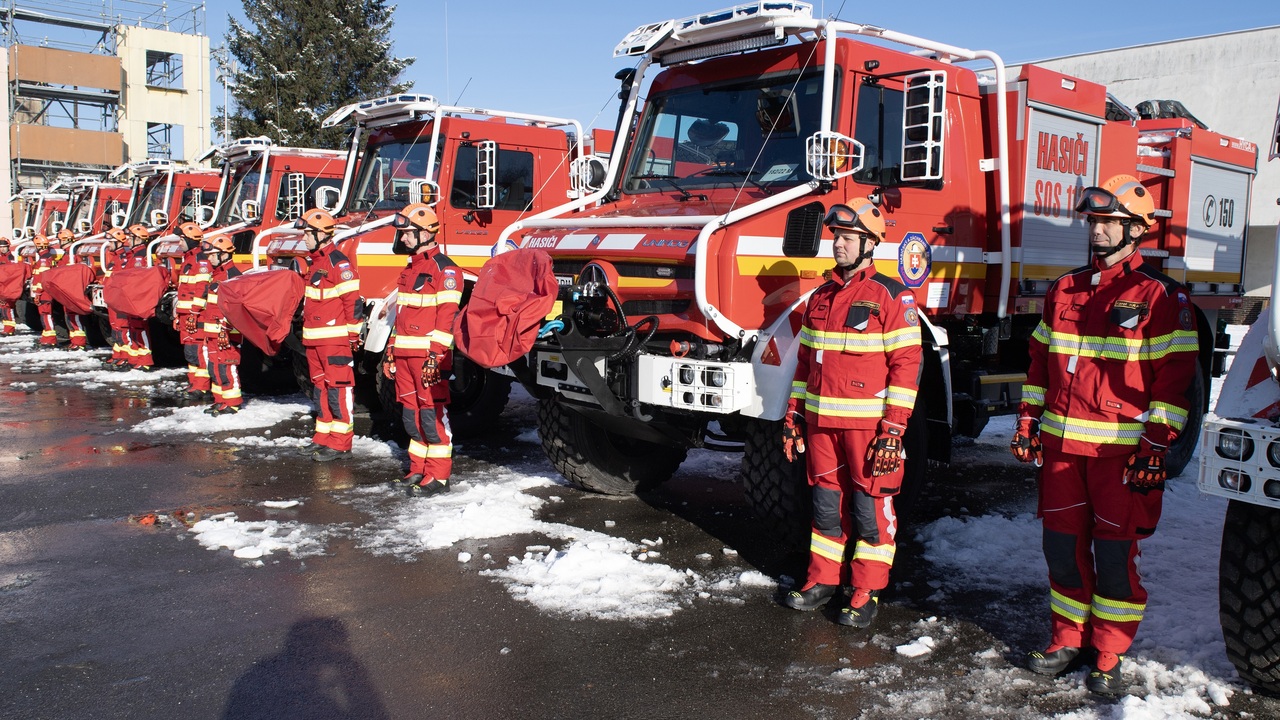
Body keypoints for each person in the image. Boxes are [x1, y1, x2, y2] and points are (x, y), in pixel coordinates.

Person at [1012, 174, 1199, 696]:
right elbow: (1038, 364)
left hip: (1121, 456)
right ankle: (1066, 638)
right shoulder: (1065, 288)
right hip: (1062, 454)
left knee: (1115, 557)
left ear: (1136, 229)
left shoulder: (1162, 296)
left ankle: (1109, 648)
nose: (1097, 231)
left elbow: (1174, 380)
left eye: (1109, 222)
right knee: (1061, 549)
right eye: (1094, 222)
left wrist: (1157, 444)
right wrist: (1028, 420)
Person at [778, 199, 922, 628]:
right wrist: (794, 414)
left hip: (869, 428)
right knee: (825, 504)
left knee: (870, 508)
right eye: (836, 237)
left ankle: (865, 589)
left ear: (869, 244)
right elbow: (805, 363)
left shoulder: (892, 296)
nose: (838, 244)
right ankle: (822, 579)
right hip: (822, 426)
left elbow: (907, 365)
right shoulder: (820, 297)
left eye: (848, 238)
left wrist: (894, 429)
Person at [381, 203, 459, 497]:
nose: (402, 239)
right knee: (410, 416)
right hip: (405, 356)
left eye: (407, 233)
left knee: (432, 415)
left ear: (426, 232)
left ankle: (439, 476)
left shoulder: (445, 269)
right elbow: (401, 315)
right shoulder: (411, 268)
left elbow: (447, 317)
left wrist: (435, 357)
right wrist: (391, 349)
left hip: (428, 359)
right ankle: (418, 468)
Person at [295, 208, 361, 462]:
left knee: (338, 389)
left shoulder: (338, 263)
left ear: (322, 234)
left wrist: (352, 335)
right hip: (314, 340)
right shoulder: (317, 263)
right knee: (320, 389)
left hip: (334, 342)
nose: (304, 238)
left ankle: (341, 443)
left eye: (308, 234)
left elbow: (352, 302)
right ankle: (323, 438)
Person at [192, 233, 244, 415]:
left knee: (226, 366)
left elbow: (235, 309)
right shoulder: (216, 275)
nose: (209, 259)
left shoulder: (233, 276)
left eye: (213, 255)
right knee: (214, 367)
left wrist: (226, 330)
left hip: (226, 333)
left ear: (224, 254)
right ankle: (220, 400)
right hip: (213, 333)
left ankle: (232, 402)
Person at [173, 222, 212, 400]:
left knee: (198, 351)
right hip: (185, 314)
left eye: (181, 239)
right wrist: (177, 314)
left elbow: (202, 288)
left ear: (189, 240)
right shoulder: (188, 259)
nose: (179, 243)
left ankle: (202, 387)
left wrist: (195, 312)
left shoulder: (200, 260)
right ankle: (194, 383)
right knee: (190, 351)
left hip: (195, 314)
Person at [122, 224, 156, 370]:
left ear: (138, 239)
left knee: (140, 328)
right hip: (131, 299)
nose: (128, 240)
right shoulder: (134, 255)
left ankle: (146, 361)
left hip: (137, 300)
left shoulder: (141, 256)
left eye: (130, 238)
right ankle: (136, 359)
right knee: (133, 328)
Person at [53, 228, 89, 350]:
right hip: (67, 290)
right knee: (69, 316)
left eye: (60, 240)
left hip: (71, 290)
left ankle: (79, 343)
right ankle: (75, 341)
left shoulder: (72, 254)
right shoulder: (67, 254)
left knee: (74, 316)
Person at [101, 227, 132, 369]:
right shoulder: (114, 258)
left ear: (119, 243)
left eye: (112, 242)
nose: (109, 245)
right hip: (112, 300)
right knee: (115, 328)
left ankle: (126, 357)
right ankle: (118, 355)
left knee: (122, 328)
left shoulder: (123, 259)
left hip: (118, 300)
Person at [28, 233, 61, 347]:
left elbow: (42, 278)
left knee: (46, 314)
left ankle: (50, 339)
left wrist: (37, 292)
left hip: (44, 293)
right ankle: (47, 337)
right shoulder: (46, 257)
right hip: (43, 292)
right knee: (44, 315)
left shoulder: (44, 259)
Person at [0, 236, 23, 336]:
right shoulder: (1, 257)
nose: (2, 249)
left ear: (8, 247)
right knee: (3, 308)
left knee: (8, 307)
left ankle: (9, 329)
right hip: (2, 286)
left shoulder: (12, 258)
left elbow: (13, 274)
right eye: (0, 247)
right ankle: (7, 328)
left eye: (4, 247)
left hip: (9, 287)